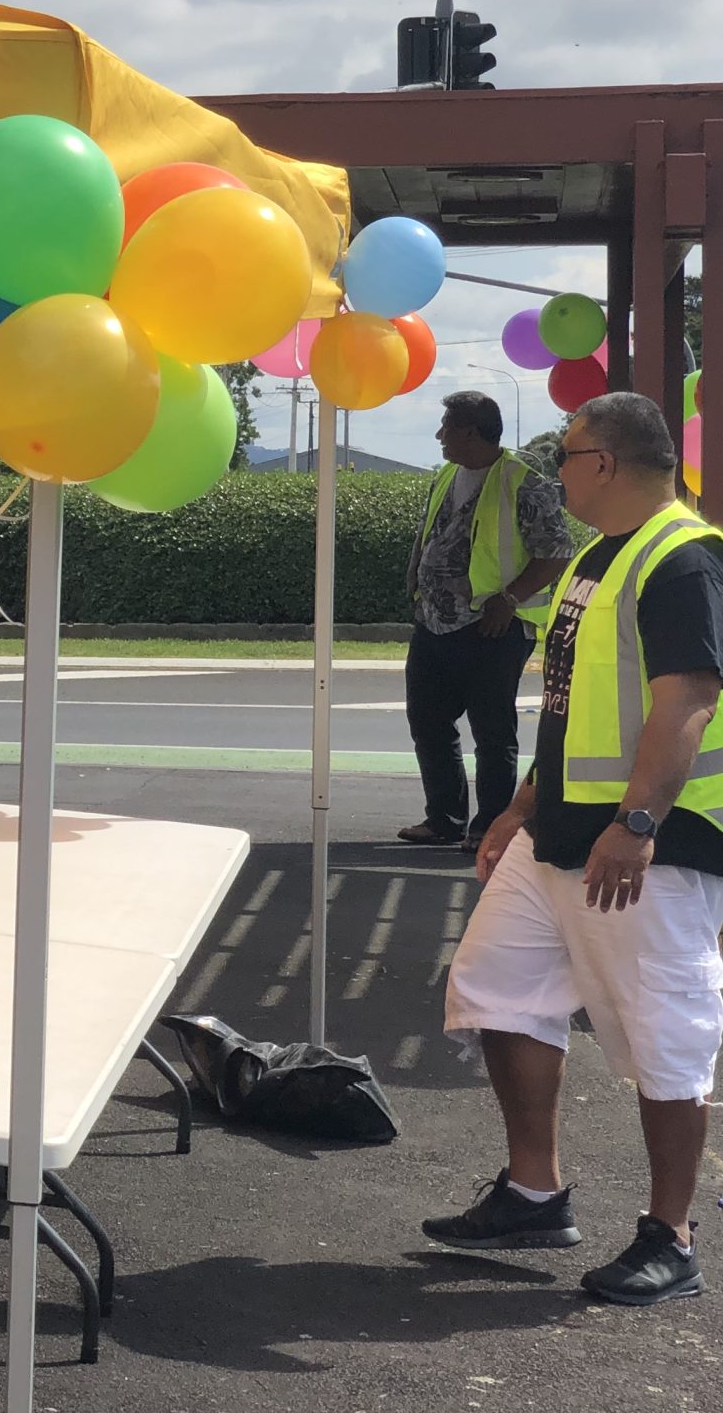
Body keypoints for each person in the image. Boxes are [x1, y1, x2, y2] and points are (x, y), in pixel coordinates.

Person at [426, 393, 723, 1306]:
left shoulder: (682, 557)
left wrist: (637, 825)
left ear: (604, 463)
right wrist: (520, 807)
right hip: (560, 829)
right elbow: (568, 703)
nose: (556, 473)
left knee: (663, 1035)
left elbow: (688, 699)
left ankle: (671, 1238)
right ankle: (533, 1193)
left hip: (645, 846)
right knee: (496, 988)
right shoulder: (600, 557)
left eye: (565, 456)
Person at [400, 392, 572, 851]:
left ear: (471, 432)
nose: (439, 435)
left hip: (492, 629)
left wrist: (510, 599)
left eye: (447, 426)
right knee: (428, 721)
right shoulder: (447, 474)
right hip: (434, 623)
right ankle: (445, 819)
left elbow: (556, 550)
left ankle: (488, 827)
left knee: (492, 732)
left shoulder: (523, 480)